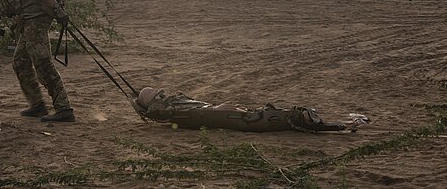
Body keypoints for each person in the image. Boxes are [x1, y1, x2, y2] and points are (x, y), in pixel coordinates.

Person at [132, 87, 347, 132]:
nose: (161, 95)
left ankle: (298, 118)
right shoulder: (164, 108)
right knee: (252, 118)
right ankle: (299, 119)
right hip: (211, 113)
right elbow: (158, 111)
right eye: (156, 96)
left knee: (253, 114)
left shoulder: (172, 103)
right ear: (152, 102)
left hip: (209, 110)